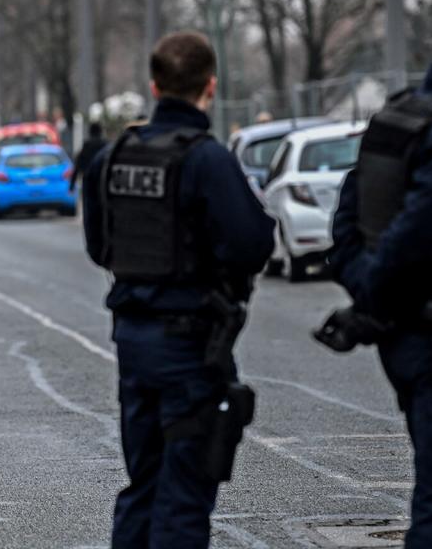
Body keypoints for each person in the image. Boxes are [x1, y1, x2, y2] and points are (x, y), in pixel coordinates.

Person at [82, 32, 274, 548]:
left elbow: (101, 248)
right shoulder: (208, 160)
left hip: (134, 344)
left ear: (155, 85)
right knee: (184, 497)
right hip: (191, 348)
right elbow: (252, 245)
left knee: (143, 485)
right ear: (211, 86)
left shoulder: (113, 156)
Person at [328, 0, 432, 547]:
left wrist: (371, 297)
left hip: (413, 341)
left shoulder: (396, 116)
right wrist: (378, 295)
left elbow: (347, 227)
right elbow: (416, 235)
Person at [69, 122, 106, 191]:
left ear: (90, 132)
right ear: (100, 132)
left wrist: (72, 184)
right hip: (102, 182)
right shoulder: (105, 146)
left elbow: (78, 164)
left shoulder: (87, 145)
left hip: (88, 181)